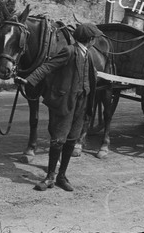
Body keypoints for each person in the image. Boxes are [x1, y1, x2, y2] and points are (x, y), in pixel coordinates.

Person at [15, 23, 102, 192]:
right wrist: (29, 80)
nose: (95, 40)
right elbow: (48, 66)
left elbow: (90, 76)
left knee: (71, 139)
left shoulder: (89, 55)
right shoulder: (69, 51)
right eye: (94, 38)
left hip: (81, 103)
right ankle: (49, 177)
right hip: (65, 102)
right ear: (90, 39)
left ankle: (62, 176)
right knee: (58, 140)